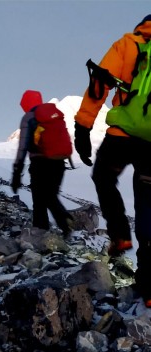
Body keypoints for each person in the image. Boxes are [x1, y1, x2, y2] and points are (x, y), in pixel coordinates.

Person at [74, 15, 151, 307]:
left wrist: (83, 127)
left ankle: (119, 234)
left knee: (104, 177)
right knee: (148, 203)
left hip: (122, 135)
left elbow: (99, 83)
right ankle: (149, 285)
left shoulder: (129, 43)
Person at [11, 90, 73, 237]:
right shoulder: (53, 114)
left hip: (40, 163)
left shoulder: (29, 117)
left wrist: (17, 172)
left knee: (39, 198)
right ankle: (65, 225)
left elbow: (23, 146)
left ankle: (40, 231)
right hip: (59, 162)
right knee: (51, 195)